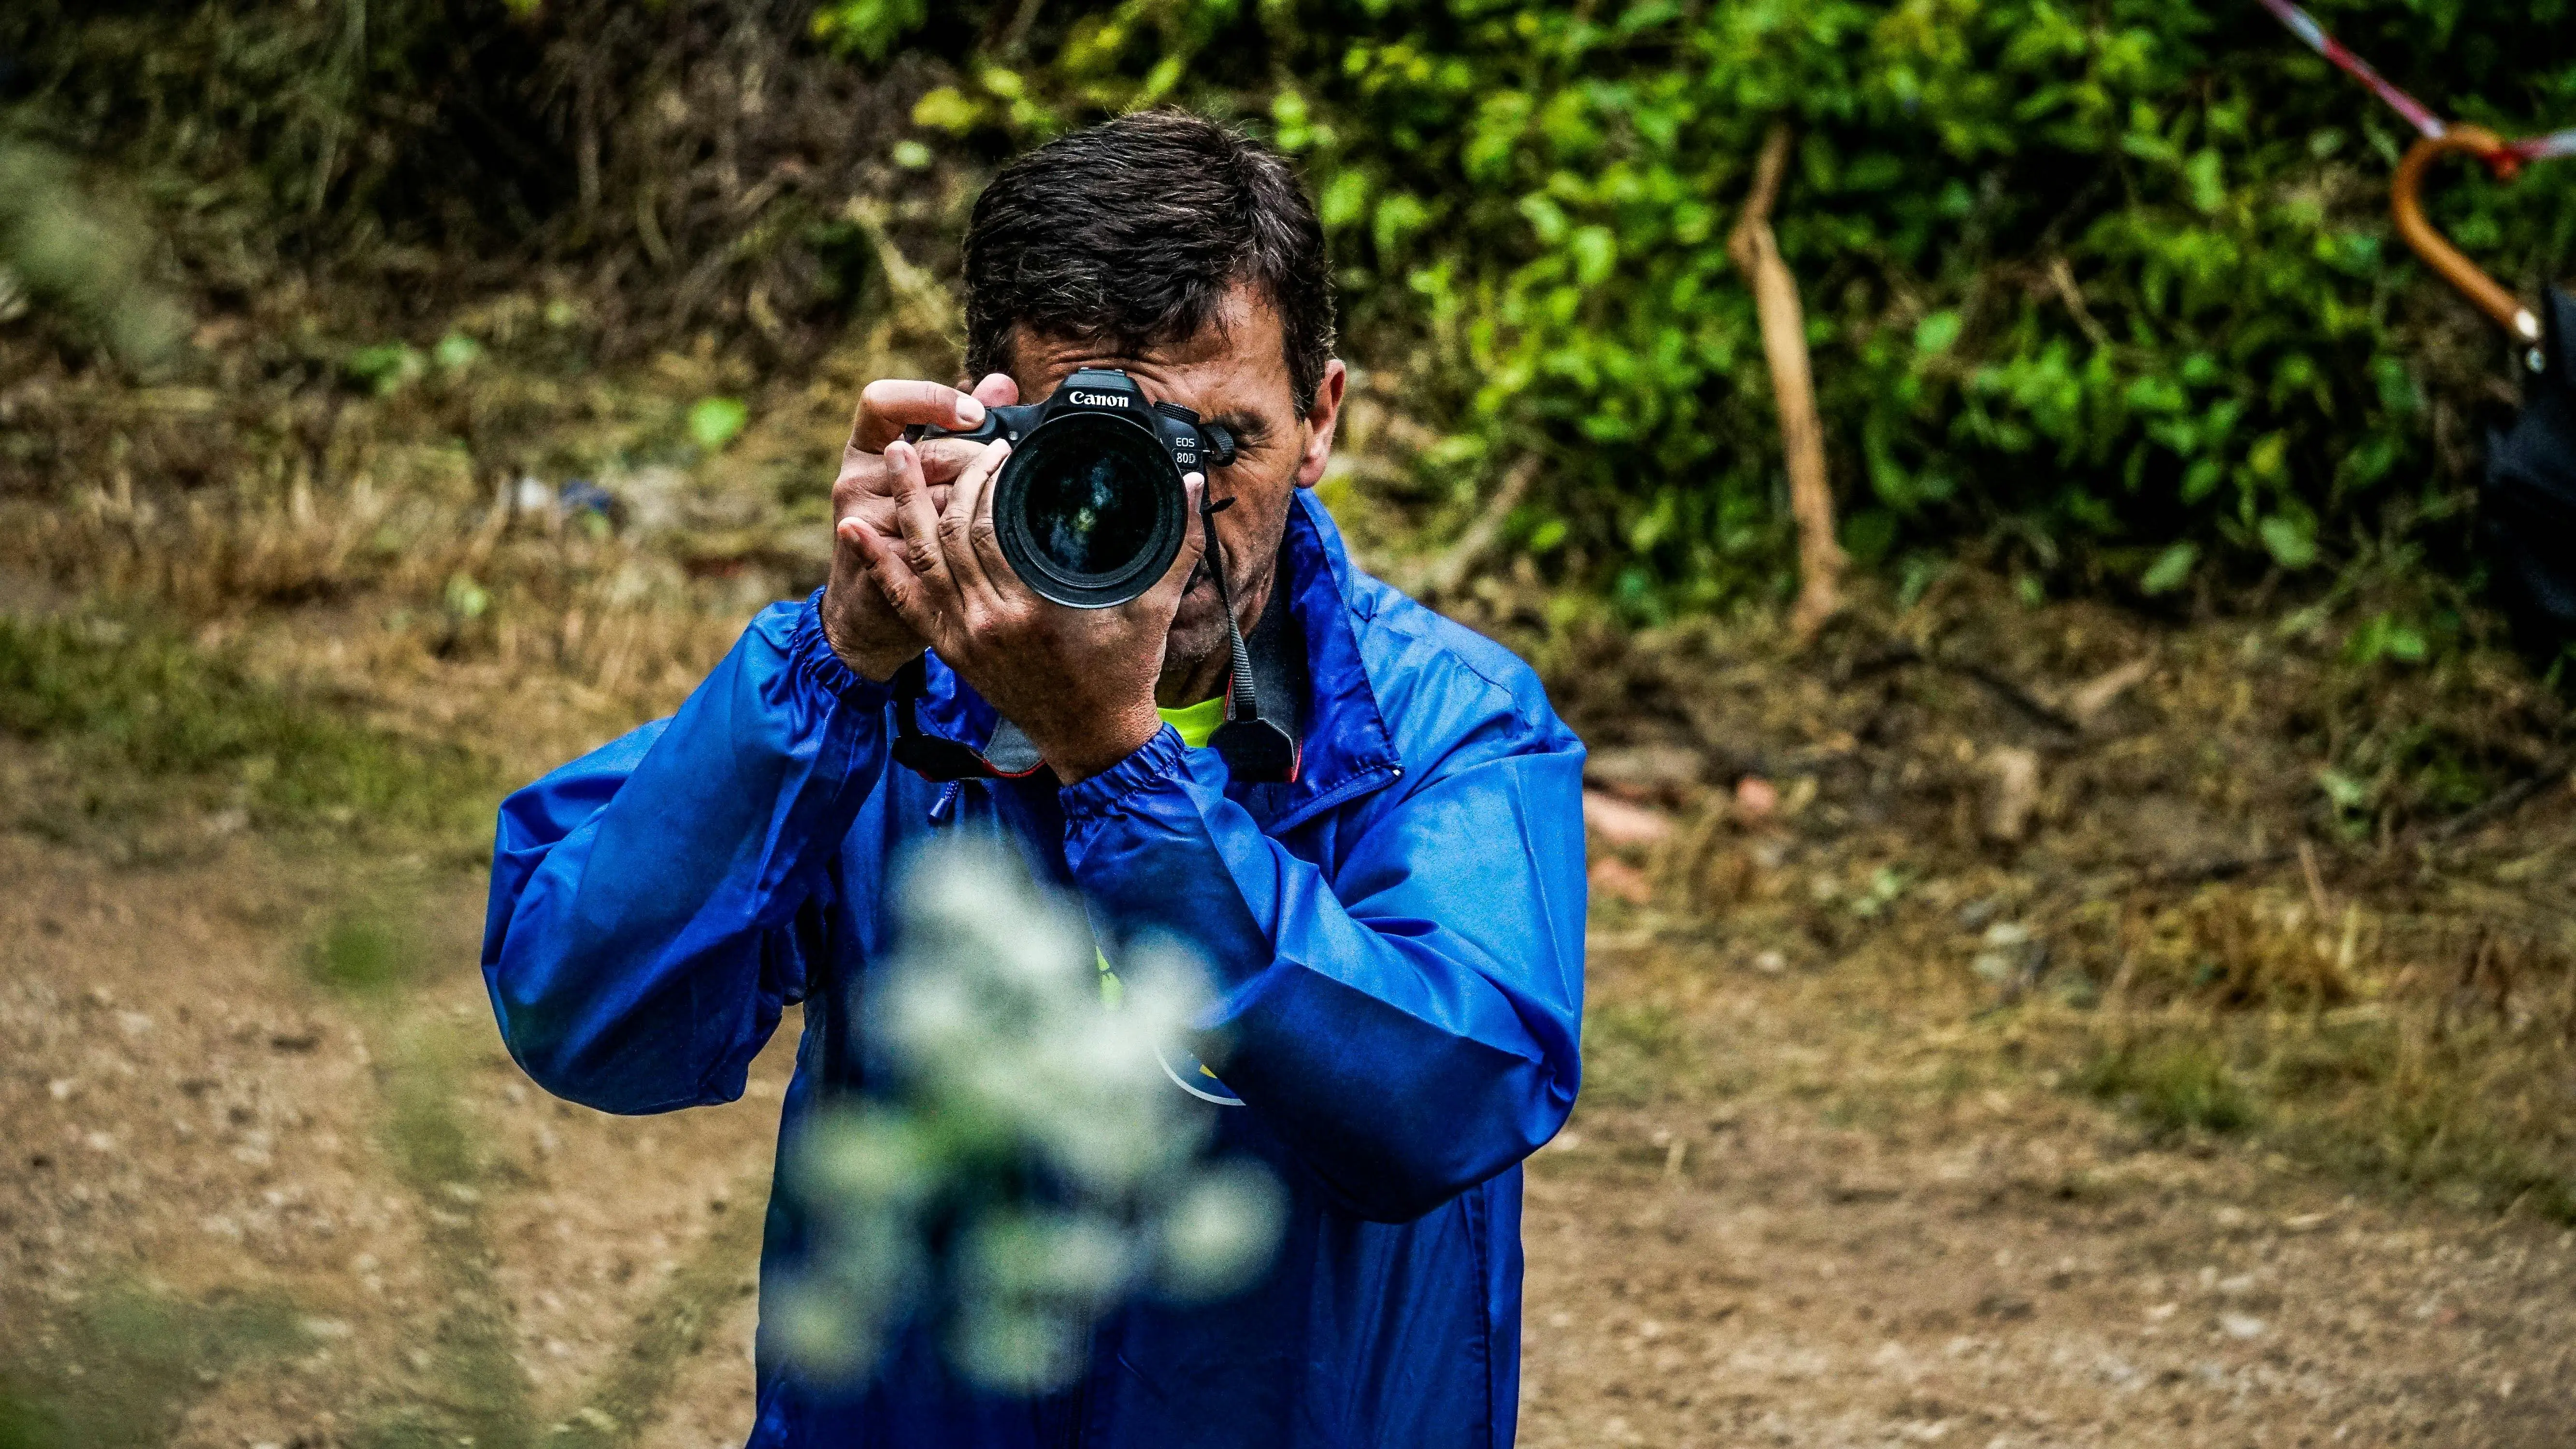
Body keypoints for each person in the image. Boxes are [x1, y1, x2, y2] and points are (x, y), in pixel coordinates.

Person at [481, 109, 1586, 1449]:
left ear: (1322, 416)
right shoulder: (882, 695)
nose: (1175, 513)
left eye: (1221, 446)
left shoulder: (1444, 721)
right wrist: (835, 664)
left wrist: (1114, 765)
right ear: (977, 418)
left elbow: (1452, 1099)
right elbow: (584, 1014)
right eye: (1101, 448)